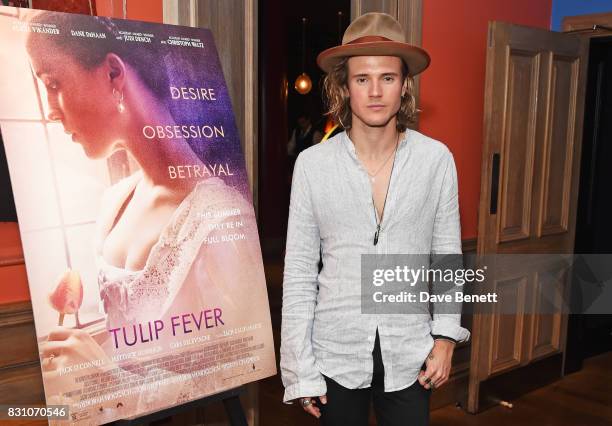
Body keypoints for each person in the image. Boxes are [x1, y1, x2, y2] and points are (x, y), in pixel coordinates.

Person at [24, 12, 267, 419]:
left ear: (114, 73)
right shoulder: (114, 200)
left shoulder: (224, 219)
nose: (50, 110)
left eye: (53, 84)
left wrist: (109, 380)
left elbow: (242, 360)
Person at [280, 12, 471, 426]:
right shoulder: (313, 166)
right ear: (344, 87)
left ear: (404, 86)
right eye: (362, 78)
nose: (375, 91)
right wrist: (300, 369)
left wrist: (445, 338)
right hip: (336, 353)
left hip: (410, 355)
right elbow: (297, 272)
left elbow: (448, 257)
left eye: (387, 77)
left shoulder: (435, 160)